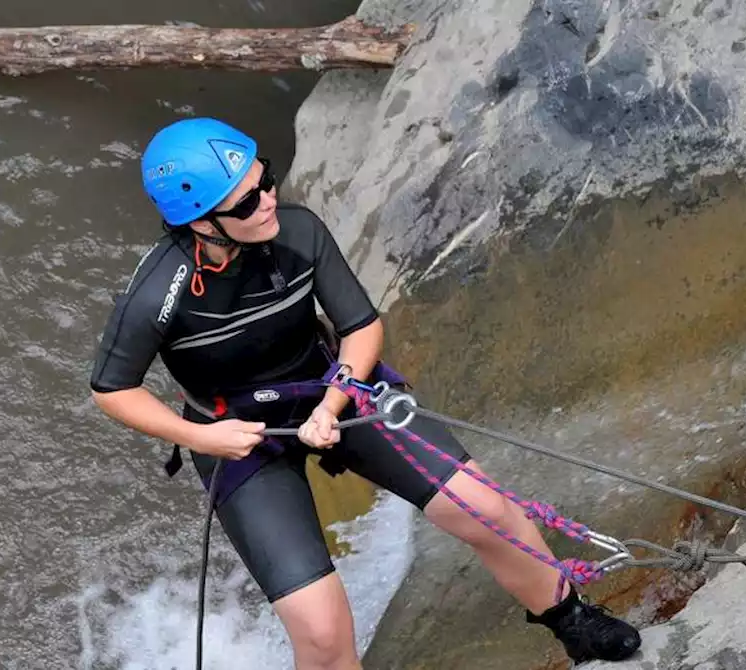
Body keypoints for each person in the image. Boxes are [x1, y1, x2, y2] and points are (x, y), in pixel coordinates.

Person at [88, 117, 641, 669]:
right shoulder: (158, 292)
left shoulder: (298, 232)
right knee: (323, 634)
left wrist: (333, 402)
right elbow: (113, 390)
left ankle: (571, 620)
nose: (266, 202)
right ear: (201, 224)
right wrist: (201, 437)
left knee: (483, 507)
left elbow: (361, 328)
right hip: (238, 438)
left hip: (335, 388)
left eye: (266, 181)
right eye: (245, 203)